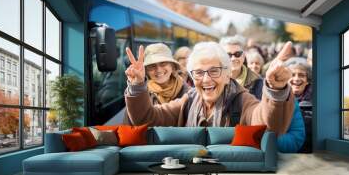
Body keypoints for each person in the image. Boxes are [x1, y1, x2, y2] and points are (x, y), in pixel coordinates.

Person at [123, 41, 295, 136]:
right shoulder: (188, 101)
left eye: (214, 71)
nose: (206, 79)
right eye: (198, 73)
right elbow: (147, 119)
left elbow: (269, 125)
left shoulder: (242, 100)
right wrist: (138, 86)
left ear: (228, 75)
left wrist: (276, 89)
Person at [219, 35, 263, 99]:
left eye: (237, 54)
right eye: (228, 55)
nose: (233, 58)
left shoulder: (257, 81)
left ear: (243, 56)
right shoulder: (215, 79)